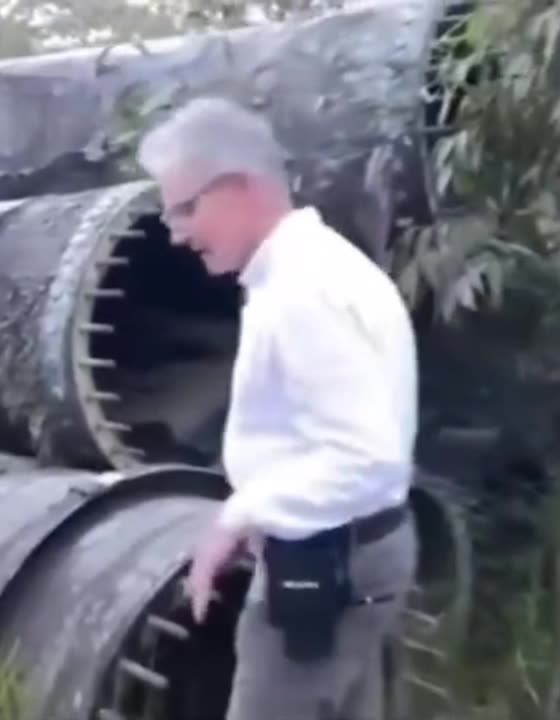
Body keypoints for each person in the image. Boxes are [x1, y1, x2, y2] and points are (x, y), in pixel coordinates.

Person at [135, 96, 420, 720]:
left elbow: (363, 459)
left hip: (326, 559)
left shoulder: (301, 292)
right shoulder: (317, 269)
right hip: (350, 548)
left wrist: (238, 518)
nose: (177, 233)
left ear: (240, 188)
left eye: (185, 209)